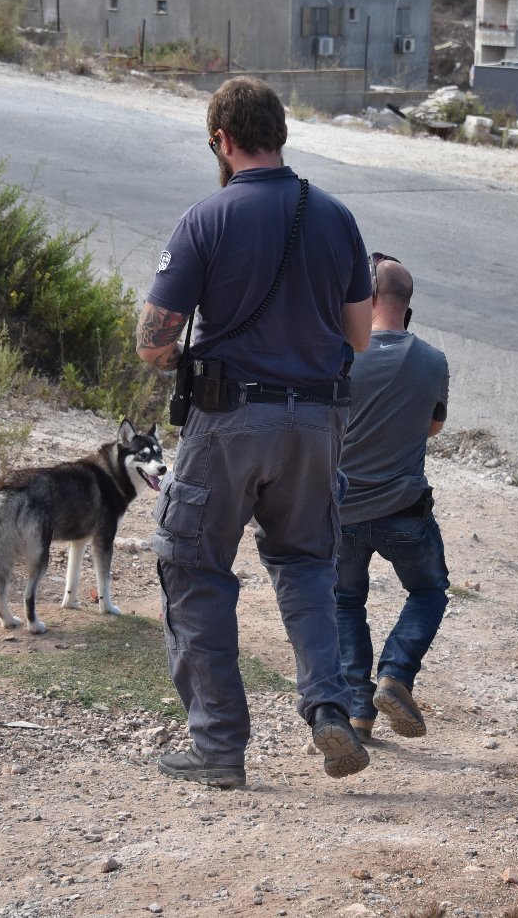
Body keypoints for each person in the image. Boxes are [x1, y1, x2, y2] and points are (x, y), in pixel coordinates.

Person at [136, 76, 374, 789]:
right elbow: (358, 338)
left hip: (230, 420)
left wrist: (187, 355)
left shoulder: (206, 218)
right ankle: (328, 708)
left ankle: (218, 747)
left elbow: (153, 342)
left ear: (222, 140)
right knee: (305, 564)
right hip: (318, 424)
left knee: (193, 565)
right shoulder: (335, 217)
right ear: (282, 135)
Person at [333, 253, 449, 743]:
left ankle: (359, 712)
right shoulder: (433, 360)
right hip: (405, 509)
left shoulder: (339, 353)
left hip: (342, 511)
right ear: (407, 305)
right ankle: (396, 674)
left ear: (369, 298)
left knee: (345, 602)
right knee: (427, 591)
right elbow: (433, 427)